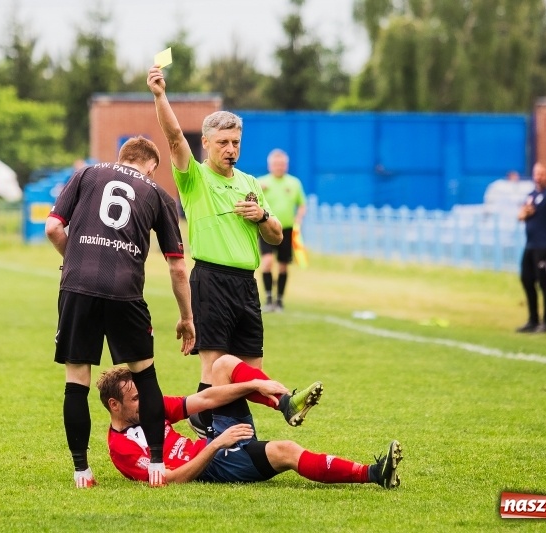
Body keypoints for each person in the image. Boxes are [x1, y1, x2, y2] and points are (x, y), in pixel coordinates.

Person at [45, 136, 195, 489]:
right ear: (150, 166)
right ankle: (157, 463)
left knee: (76, 381)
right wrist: (187, 316)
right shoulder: (159, 195)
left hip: (77, 286)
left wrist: (74, 260)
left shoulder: (86, 174)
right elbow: (176, 267)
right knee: (146, 376)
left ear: (121, 157)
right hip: (125, 290)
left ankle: (82, 471)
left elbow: (53, 228)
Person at [147, 65, 285, 437]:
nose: (230, 149)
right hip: (210, 279)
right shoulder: (194, 178)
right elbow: (174, 137)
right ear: (206, 143)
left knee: (251, 369)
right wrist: (160, 95)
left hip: (246, 283)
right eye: (223, 142)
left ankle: (211, 417)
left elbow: (276, 236)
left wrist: (262, 214)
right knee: (214, 366)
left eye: (235, 142)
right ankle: (220, 429)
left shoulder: (251, 182)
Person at [96, 354, 402, 489]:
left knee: (223, 365)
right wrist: (216, 445)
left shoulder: (151, 406)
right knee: (287, 451)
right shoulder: (121, 449)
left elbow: (202, 400)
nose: (145, 402)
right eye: (136, 399)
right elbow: (170, 480)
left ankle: (285, 403)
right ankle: (375, 474)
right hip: (214, 464)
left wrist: (256, 386)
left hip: (214, 442)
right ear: (114, 405)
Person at [516, 162, 546, 334]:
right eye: (536, 173)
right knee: (527, 280)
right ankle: (532, 320)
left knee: (544, 282)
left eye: (542, 173)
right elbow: (520, 215)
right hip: (531, 244)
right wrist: (524, 214)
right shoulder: (532, 195)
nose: (538, 176)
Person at [258, 149, 307, 312]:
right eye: (276, 164)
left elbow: (302, 204)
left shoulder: (294, 183)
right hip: (266, 228)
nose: (279, 166)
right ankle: (269, 298)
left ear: (286, 165)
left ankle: (279, 300)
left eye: (282, 164)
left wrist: (298, 218)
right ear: (270, 165)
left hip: (286, 229)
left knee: (283, 265)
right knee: (267, 262)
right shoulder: (261, 183)